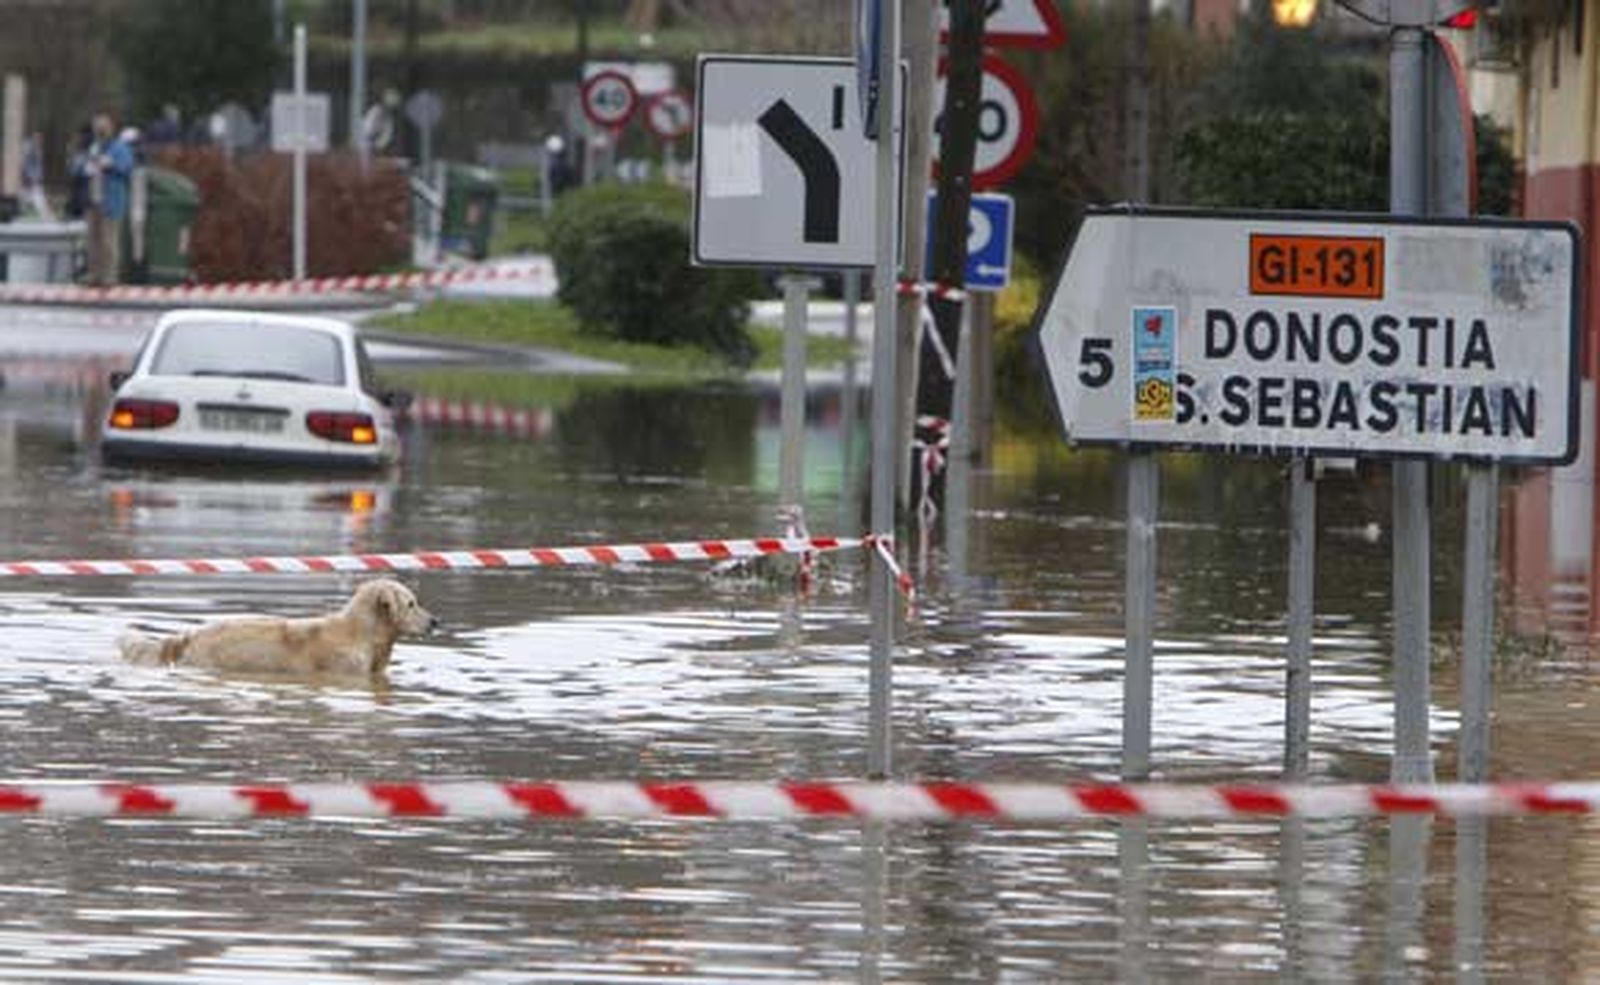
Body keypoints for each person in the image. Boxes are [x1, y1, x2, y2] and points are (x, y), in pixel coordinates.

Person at [76, 113, 134, 287]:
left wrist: (111, 165)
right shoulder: (93, 147)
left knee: (109, 241)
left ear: (110, 129)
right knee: (91, 240)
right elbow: (78, 168)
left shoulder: (119, 148)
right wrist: (84, 167)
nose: (99, 131)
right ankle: (94, 274)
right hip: (92, 199)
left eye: (103, 127)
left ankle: (110, 276)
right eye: (97, 127)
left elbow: (127, 169)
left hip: (111, 201)